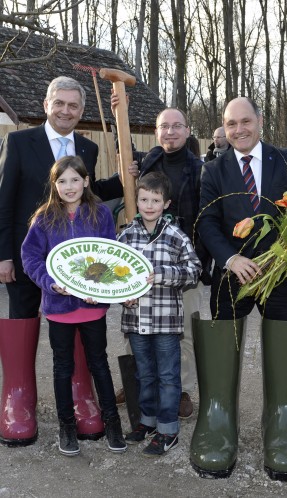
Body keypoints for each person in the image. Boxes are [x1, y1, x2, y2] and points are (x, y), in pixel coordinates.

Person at [0, 76, 123, 446]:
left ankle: (79, 393)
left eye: (73, 106)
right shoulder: (19, 142)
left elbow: (88, 191)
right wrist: (3, 254)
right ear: (46, 104)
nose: (66, 111)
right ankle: (18, 397)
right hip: (30, 256)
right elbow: (3, 201)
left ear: (81, 111)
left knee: (77, 321)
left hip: (78, 265)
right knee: (22, 315)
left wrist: (123, 180)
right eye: (60, 103)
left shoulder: (87, 146)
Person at [197, 97, 287, 481]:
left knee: (286, 340)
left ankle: (281, 420)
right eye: (231, 124)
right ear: (224, 128)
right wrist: (230, 259)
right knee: (222, 340)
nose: (239, 129)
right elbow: (207, 222)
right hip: (234, 274)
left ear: (260, 121)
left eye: (246, 121)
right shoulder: (213, 169)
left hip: (282, 273)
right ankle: (219, 419)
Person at [21, 156, 127, 456]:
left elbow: (109, 255)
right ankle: (67, 427)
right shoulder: (44, 218)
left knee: (99, 364)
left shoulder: (101, 214)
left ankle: (112, 424)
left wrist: (100, 287)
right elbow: (30, 258)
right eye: (62, 181)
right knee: (62, 367)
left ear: (86, 181)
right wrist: (48, 282)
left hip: (92, 306)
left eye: (75, 179)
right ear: (55, 185)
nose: (69, 186)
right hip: (58, 306)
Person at [111, 98, 207, 418]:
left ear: (187, 131)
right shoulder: (149, 160)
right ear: (156, 133)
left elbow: (205, 217)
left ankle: (180, 388)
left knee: (184, 330)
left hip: (181, 259)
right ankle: (138, 381)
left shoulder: (199, 168)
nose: (170, 132)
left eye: (177, 126)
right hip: (142, 258)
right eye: (164, 126)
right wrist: (117, 114)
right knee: (135, 324)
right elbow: (123, 148)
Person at [118, 172, 201, 456]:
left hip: (165, 322)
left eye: (155, 200)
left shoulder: (176, 236)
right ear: (137, 200)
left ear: (166, 203)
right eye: (144, 199)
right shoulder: (127, 234)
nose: (149, 205)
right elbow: (117, 276)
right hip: (135, 320)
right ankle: (147, 422)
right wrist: (123, 296)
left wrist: (161, 275)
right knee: (144, 374)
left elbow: (194, 271)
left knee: (167, 376)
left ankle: (168, 430)